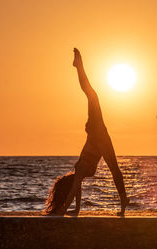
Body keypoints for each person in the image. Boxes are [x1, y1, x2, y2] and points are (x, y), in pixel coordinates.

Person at [43, 48, 129, 216]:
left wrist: (66, 209)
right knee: (114, 169)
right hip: (98, 136)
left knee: (91, 94)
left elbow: (76, 187)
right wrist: (73, 209)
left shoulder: (79, 170)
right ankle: (123, 200)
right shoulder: (79, 171)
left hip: (95, 134)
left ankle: (79, 65)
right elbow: (76, 187)